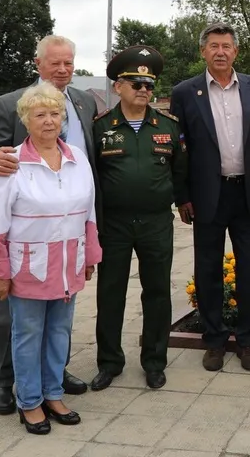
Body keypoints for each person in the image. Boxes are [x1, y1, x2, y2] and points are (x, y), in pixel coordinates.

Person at [0, 35, 97, 414]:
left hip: (70, 223)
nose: (63, 70)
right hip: (24, 226)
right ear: (38, 63)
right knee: (12, 315)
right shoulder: (9, 103)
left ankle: (53, 378)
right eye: (54, 63)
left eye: (68, 63)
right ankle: (1, 380)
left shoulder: (85, 100)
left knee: (58, 316)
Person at [169, 23, 250, 372]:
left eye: (226, 46)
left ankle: (247, 340)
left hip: (246, 195)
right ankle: (214, 340)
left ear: (236, 51)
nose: (221, 52)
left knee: (249, 270)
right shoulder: (185, 92)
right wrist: (182, 195)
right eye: (214, 46)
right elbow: (178, 149)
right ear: (203, 51)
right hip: (206, 195)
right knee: (208, 268)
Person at [90, 46, 188, 391]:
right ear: (118, 86)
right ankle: (110, 362)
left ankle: (154, 361)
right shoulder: (100, 128)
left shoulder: (167, 126)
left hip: (156, 222)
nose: (144, 90)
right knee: (110, 292)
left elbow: (180, 172)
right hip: (113, 224)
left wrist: (183, 202)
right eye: (135, 83)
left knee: (158, 292)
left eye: (149, 84)